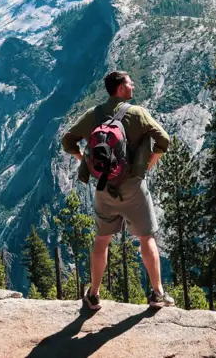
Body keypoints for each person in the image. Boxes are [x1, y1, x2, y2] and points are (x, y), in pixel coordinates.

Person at [60, 70, 175, 310]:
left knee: (101, 241)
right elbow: (163, 139)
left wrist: (84, 160)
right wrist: (148, 164)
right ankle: (157, 294)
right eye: (130, 83)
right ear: (121, 89)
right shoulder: (138, 114)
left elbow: (67, 141)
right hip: (133, 187)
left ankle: (93, 295)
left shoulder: (93, 115)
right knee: (146, 238)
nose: (133, 86)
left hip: (103, 187)